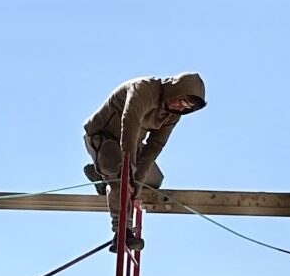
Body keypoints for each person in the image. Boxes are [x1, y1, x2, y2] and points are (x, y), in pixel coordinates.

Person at [82, 73, 207, 206]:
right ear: (176, 89)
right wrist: (128, 172)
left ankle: (102, 175)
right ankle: (107, 176)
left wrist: (137, 182)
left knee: (153, 181)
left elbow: (155, 145)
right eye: (183, 102)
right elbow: (130, 125)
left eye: (188, 108)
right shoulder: (142, 90)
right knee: (121, 179)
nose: (181, 108)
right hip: (104, 137)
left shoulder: (173, 114)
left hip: (132, 144)